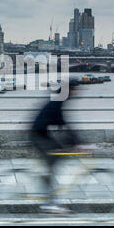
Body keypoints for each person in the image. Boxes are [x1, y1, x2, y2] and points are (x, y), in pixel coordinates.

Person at [31, 79, 94, 214]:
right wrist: (79, 144)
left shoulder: (58, 101)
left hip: (42, 134)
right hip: (38, 136)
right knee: (52, 165)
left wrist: (77, 143)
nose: (77, 92)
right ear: (68, 90)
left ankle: (47, 183)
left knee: (57, 158)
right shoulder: (57, 103)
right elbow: (65, 125)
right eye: (74, 89)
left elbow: (64, 126)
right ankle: (49, 202)